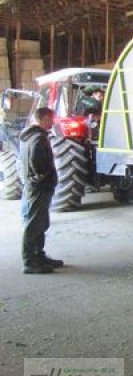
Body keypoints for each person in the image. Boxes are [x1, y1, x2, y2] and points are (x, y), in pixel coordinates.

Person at [19, 107, 63, 274]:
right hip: (39, 187)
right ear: (45, 119)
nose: (53, 122)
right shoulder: (38, 138)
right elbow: (36, 160)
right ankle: (30, 261)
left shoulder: (30, 135)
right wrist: (44, 175)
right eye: (52, 119)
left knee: (41, 222)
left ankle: (39, 255)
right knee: (34, 224)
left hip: (35, 185)